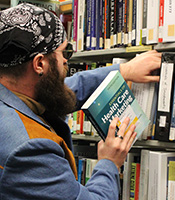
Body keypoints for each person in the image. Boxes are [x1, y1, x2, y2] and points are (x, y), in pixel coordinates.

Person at [0, 3, 161, 200]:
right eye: (63, 53)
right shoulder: (29, 148)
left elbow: (63, 90)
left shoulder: (13, 93)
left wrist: (123, 71)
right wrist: (109, 162)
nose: (66, 62)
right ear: (40, 64)